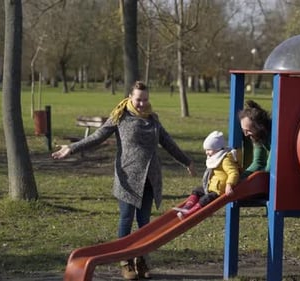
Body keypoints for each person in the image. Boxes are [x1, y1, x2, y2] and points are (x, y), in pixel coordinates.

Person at [52, 81, 196, 280]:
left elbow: (168, 142)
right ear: (130, 97)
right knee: (126, 219)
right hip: (127, 178)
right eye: (138, 99)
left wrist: (186, 161)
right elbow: (97, 137)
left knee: (144, 222)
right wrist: (72, 148)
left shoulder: (153, 119)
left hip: (150, 178)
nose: (142, 104)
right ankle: (125, 261)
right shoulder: (120, 116)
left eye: (145, 100)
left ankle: (141, 259)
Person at [174, 131, 240, 220]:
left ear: (218, 149)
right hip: (210, 187)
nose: (206, 152)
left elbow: (233, 172)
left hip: (219, 190)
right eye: (206, 150)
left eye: (209, 150)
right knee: (197, 191)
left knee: (206, 199)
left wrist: (229, 184)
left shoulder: (225, 160)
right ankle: (187, 207)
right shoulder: (215, 157)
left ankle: (189, 213)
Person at [238, 100, 272, 178]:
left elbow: (270, 169)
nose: (246, 135)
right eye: (244, 130)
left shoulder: (274, 135)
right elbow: (258, 163)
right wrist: (241, 178)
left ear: (259, 127)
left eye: (248, 131)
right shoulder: (257, 136)